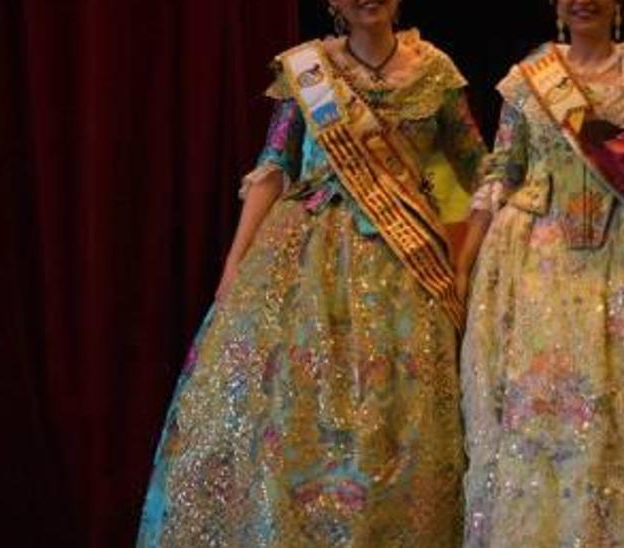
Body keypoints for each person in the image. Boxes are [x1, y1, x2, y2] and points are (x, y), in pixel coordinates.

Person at [137, 0, 487, 544]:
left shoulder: (435, 74)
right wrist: (235, 261)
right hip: (301, 259)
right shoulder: (307, 70)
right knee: (286, 416)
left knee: (400, 422)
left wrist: (473, 262)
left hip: (406, 267)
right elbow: (274, 167)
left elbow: (481, 170)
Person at [454, 0, 624, 545]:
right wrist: (465, 262)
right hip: (538, 261)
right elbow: (501, 171)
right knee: (548, 412)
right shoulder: (528, 79)